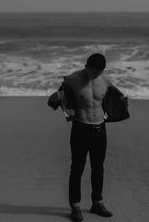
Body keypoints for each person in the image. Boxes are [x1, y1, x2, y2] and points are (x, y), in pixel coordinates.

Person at [48, 53, 129, 222]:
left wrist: (122, 101)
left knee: (98, 168)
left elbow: (114, 95)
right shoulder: (72, 80)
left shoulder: (105, 79)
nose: (95, 76)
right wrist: (53, 98)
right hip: (80, 128)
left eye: (99, 73)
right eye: (93, 73)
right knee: (77, 168)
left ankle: (97, 203)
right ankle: (75, 206)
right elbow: (54, 101)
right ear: (87, 67)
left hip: (100, 129)